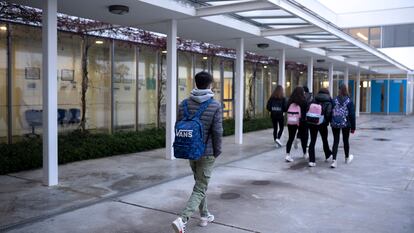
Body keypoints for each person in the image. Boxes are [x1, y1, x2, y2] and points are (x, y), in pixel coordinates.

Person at [172, 72, 223, 233]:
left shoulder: (184, 104)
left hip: (189, 150)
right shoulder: (214, 105)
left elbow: (178, 124)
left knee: (199, 184)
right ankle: (183, 219)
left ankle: (205, 215)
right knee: (201, 186)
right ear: (209, 85)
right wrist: (217, 151)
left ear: (196, 83)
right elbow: (217, 132)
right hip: (206, 153)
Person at [330, 84, 356, 168]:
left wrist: (331, 121)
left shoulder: (334, 100)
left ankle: (334, 160)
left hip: (335, 123)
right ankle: (346, 158)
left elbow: (331, 112)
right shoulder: (349, 101)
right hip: (346, 124)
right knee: (345, 141)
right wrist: (353, 127)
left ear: (339, 90)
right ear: (346, 90)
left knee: (336, 141)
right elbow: (352, 115)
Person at [306, 88, 333, 167]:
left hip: (312, 122)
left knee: (312, 141)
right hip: (322, 124)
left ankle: (312, 161)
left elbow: (308, 110)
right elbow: (328, 113)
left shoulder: (313, 99)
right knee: (324, 140)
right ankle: (327, 155)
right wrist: (327, 121)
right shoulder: (329, 101)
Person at [285, 86, 308, 162]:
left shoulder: (290, 101)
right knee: (304, 138)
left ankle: (287, 154)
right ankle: (305, 153)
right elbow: (305, 112)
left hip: (292, 121)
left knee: (290, 138)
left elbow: (286, 109)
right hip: (302, 121)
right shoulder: (304, 101)